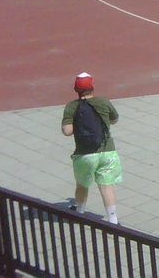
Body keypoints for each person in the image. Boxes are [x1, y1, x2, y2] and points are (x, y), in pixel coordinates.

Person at [61, 72, 122, 224]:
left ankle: (80, 212)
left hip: (85, 153)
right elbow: (115, 120)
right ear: (92, 86)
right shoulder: (103, 102)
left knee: (82, 184)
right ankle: (113, 220)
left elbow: (67, 131)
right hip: (107, 151)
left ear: (75, 89)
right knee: (106, 186)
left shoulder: (72, 106)